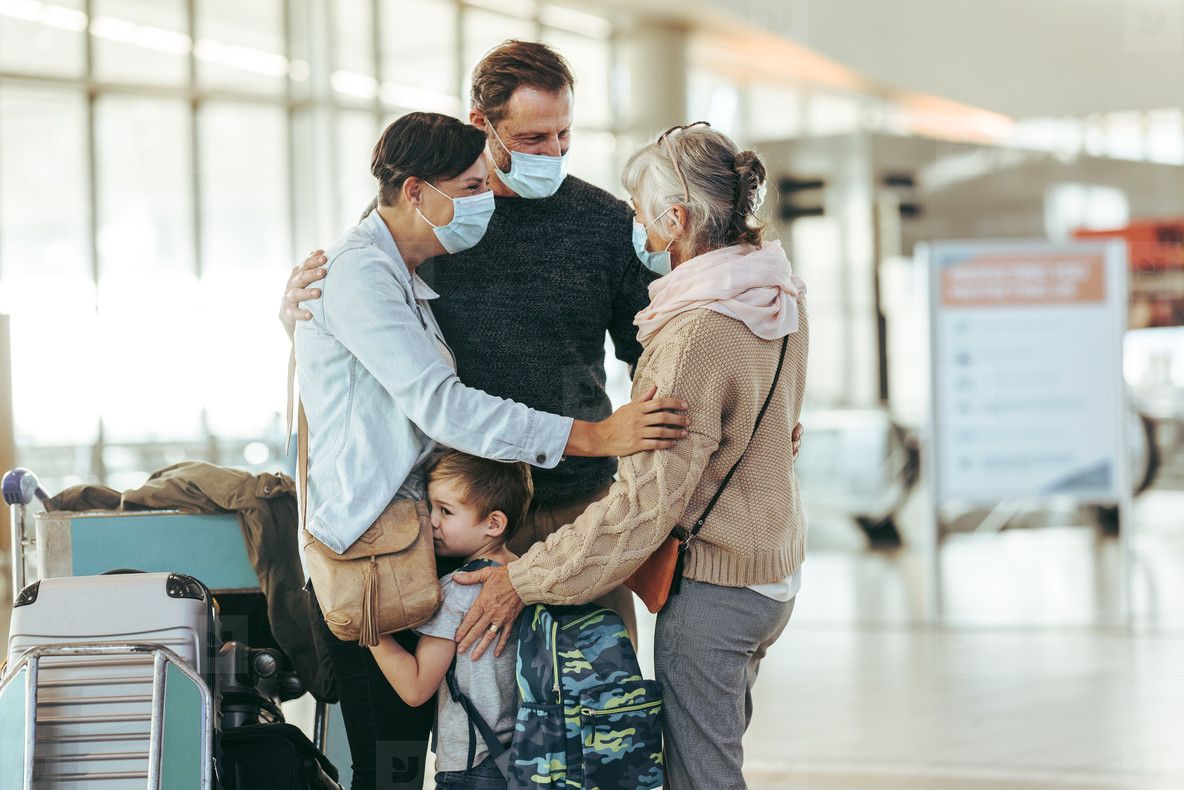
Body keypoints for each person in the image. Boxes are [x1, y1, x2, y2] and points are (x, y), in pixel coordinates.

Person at [280, 41, 804, 650]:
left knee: (602, 706)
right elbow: (365, 344)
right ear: (483, 126)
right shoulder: (427, 225)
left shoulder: (606, 221)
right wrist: (296, 314)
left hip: (579, 508)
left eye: (564, 135)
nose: (552, 152)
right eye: (533, 139)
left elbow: (670, 349)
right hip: (458, 515)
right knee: (478, 718)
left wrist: (756, 422)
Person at [293, 110, 690, 790]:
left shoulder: (401, 273)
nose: (486, 203)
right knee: (386, 767)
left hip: (410, 549)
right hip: (367, 557)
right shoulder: (361, 274)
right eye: (472, 188)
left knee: (417, 755)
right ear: (416, 192)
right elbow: (441, 404)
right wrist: (591, 435)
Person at [453, 123, 809, 790]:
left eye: (644, 214)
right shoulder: (780, 294)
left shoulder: (692, 333)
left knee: (700, 775)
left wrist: (521, 578)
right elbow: (778, 431)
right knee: (718, 752)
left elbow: (645, 508)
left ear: (676, 220)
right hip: (772, 575)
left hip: (715, 588)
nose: (637, 230)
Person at [369, 450, 530, 790]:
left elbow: (415, 688)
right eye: (431, 507)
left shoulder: (459, 590)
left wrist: (370, 630)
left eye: (446, 510)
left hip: (474, 765)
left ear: (493, 524)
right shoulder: (525, 579)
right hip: (526, 758)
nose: (432, 521)